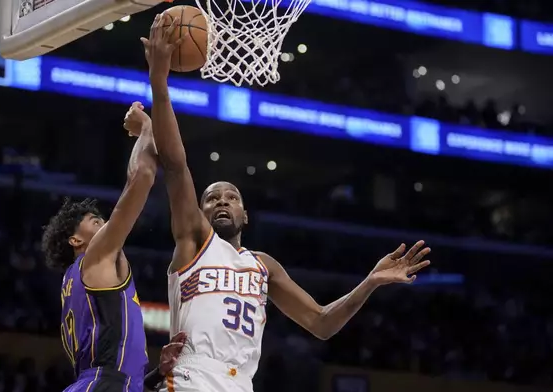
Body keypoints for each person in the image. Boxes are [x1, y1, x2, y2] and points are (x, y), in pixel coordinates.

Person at [141, 13, 432, 392]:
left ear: (245, 215)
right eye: (212, 198)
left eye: (232, 197)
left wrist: (370, 282)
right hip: (190, 377)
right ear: (202, 212)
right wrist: (159, 83)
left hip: (240, 384)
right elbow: (177, 166)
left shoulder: (263, 266)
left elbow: (321, 322)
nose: (223, 201)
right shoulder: (194, 241)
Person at [42, 103, 179, 392]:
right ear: (75, 240)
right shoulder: (95, 257)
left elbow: (111, 360)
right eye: (95, 222)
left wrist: (156, 374)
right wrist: (146, 128)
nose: (105, 224)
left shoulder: (76, 280)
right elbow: (141, 178)